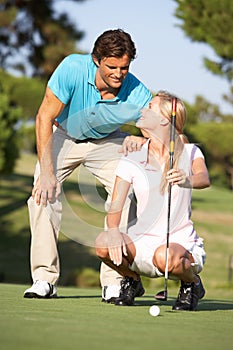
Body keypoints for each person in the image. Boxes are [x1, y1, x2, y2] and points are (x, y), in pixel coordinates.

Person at [23, 29, 152, 300]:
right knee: (41, 195)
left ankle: (114, 282)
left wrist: (141, 139)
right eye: (112, 67)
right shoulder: (72, 68)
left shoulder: (136, 90)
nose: (119, 74)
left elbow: (160, 126)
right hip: (65, 135)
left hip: (108, 141)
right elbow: (44, 117)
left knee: (126, 192)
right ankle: (44, 279)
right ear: (96, 60)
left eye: (124, 68)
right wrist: (47, 173)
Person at [95, 91, 210, 310]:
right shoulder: (133, 155)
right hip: (141, 241)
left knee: (165, 256)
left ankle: (191, 284)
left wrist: (187, 179)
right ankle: (132, 280)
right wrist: (112, 230)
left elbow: (204, 178)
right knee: (102, 244)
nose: (142, 111)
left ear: (164, 119)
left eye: (149, 108)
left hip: (179, 244)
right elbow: (116, 206)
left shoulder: (190, 151)